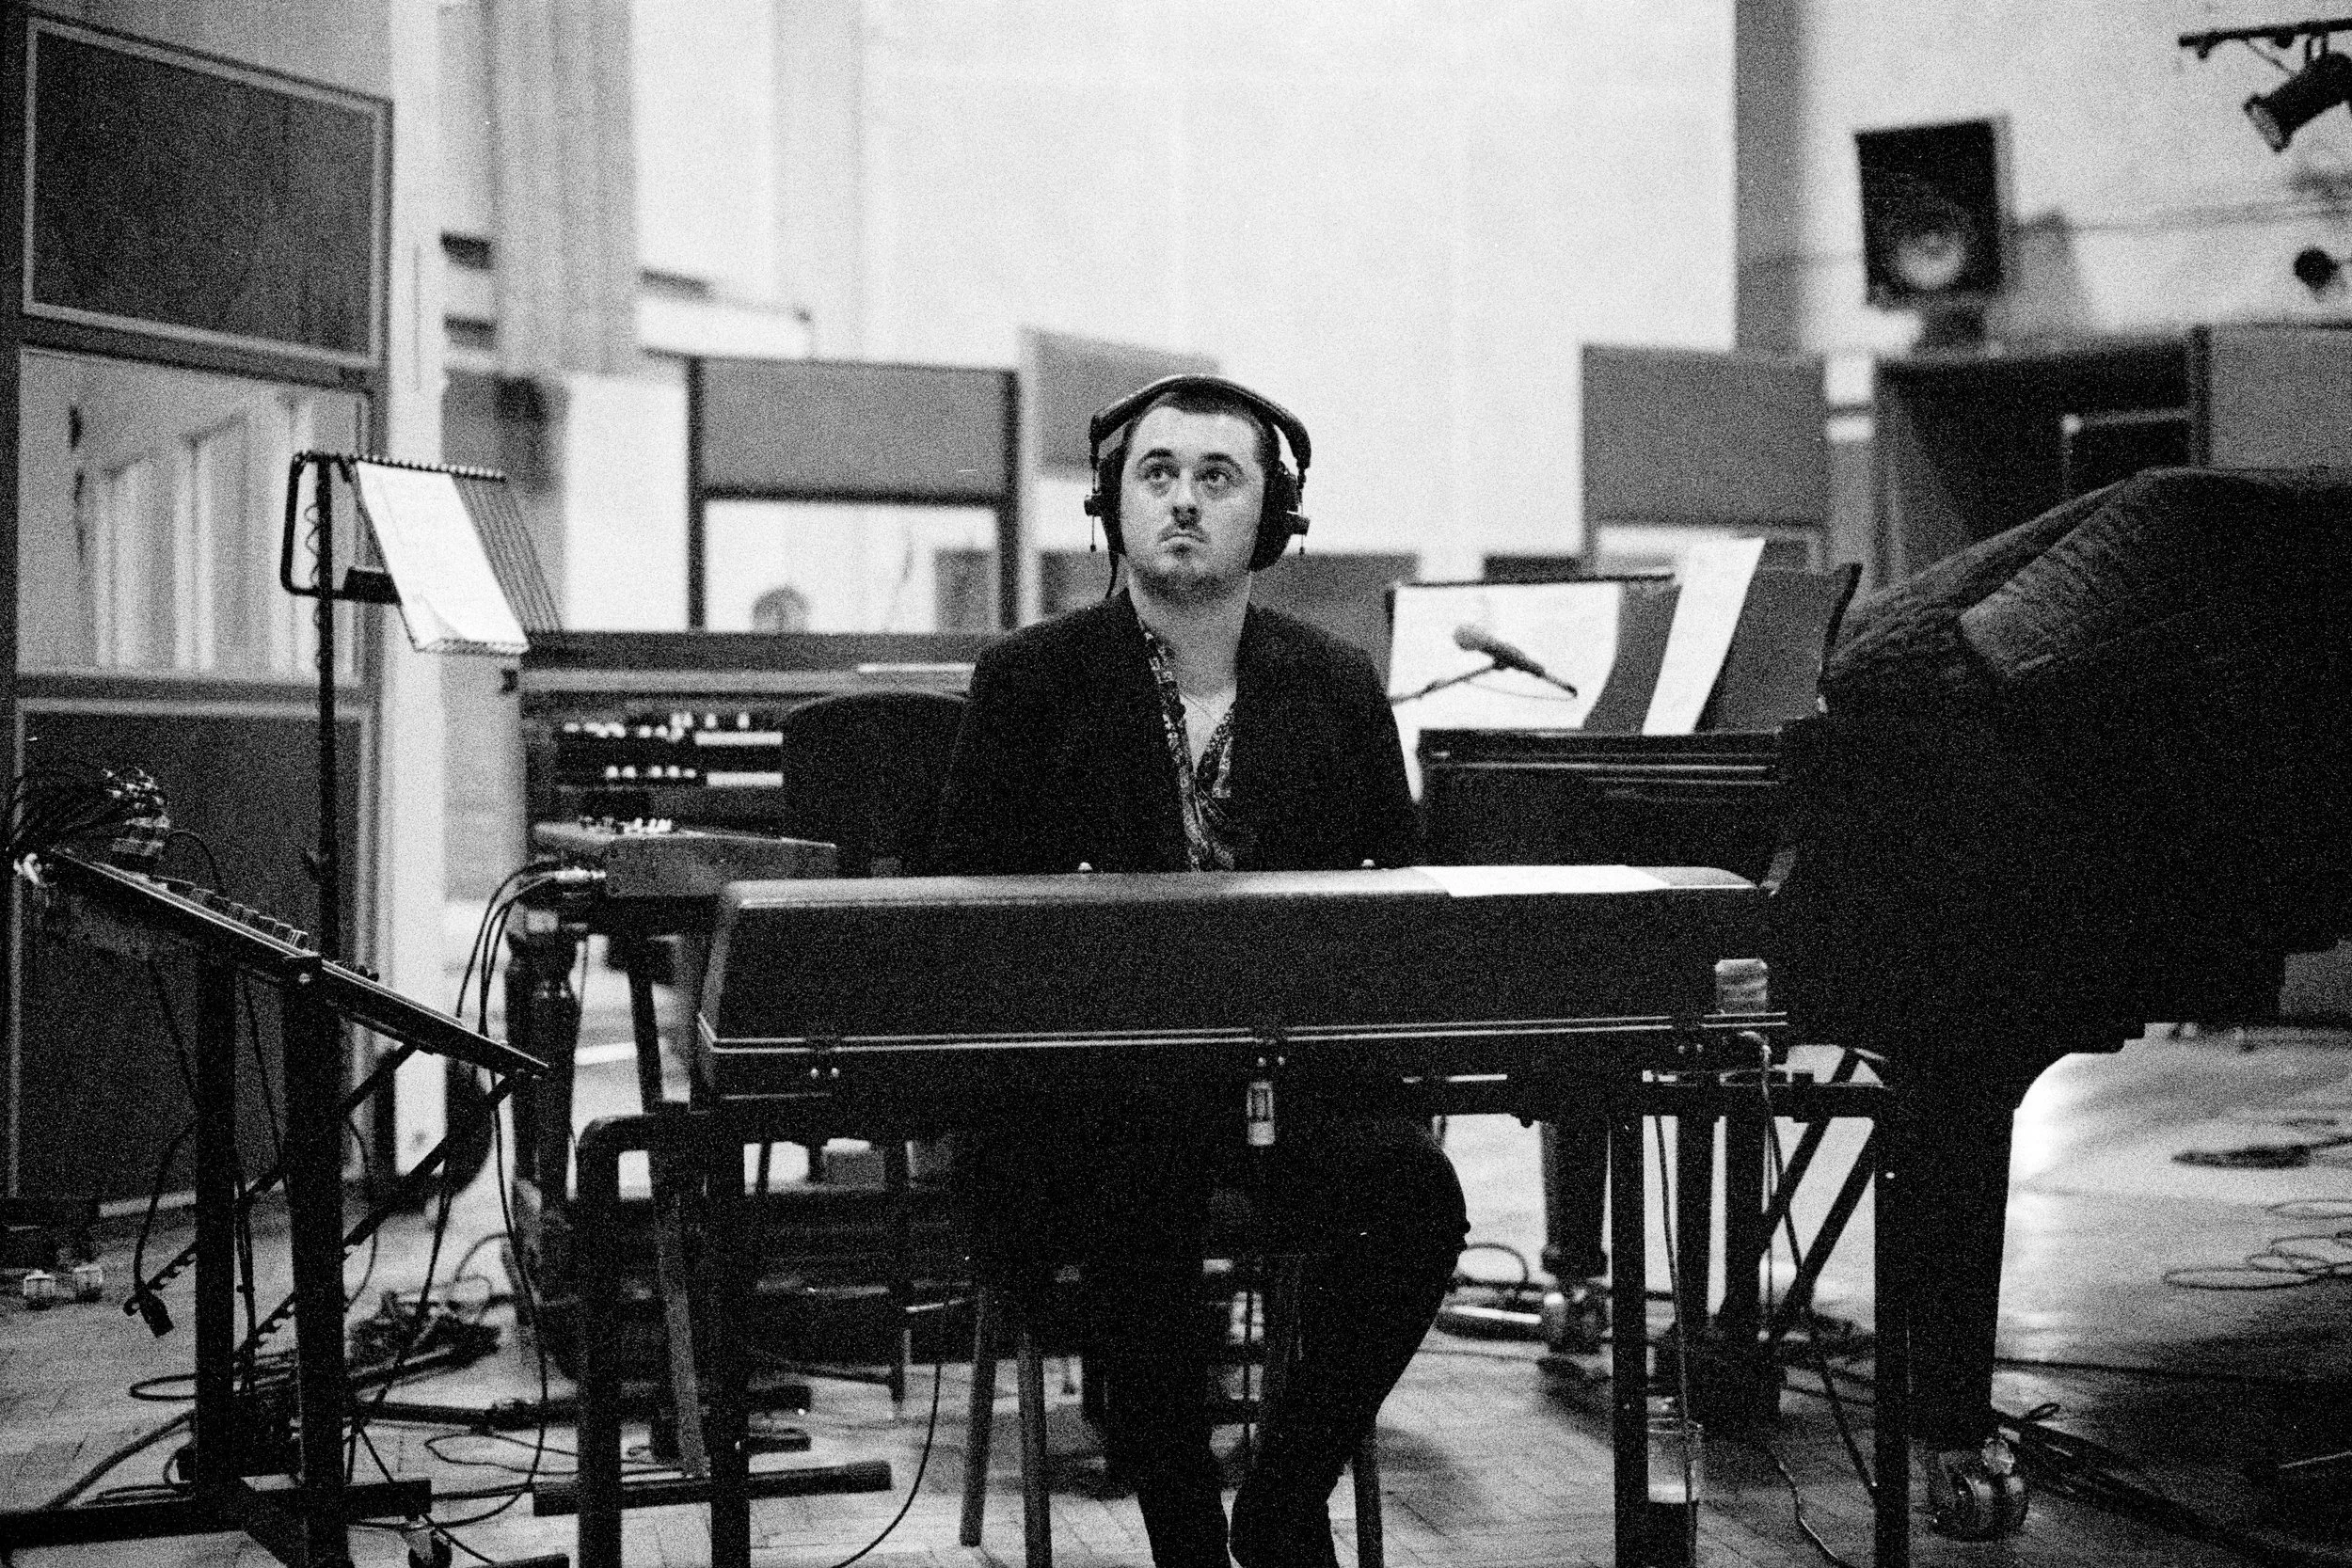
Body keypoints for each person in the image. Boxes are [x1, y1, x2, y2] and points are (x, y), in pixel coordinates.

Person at [929, 374, 1468, 1568]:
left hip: (1288, 1082)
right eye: (1156, 473)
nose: (1182, 499)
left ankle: (1279, 1497)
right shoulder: (1029, 679)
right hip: (1088, 1096)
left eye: (1217, 477)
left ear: (1272, 518)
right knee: (1136, 1177)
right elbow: (963, 910)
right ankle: (1183, 1532)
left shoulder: (1333, 683)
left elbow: (1398, 897)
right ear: (1109, 506)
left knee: (1415, 1199)